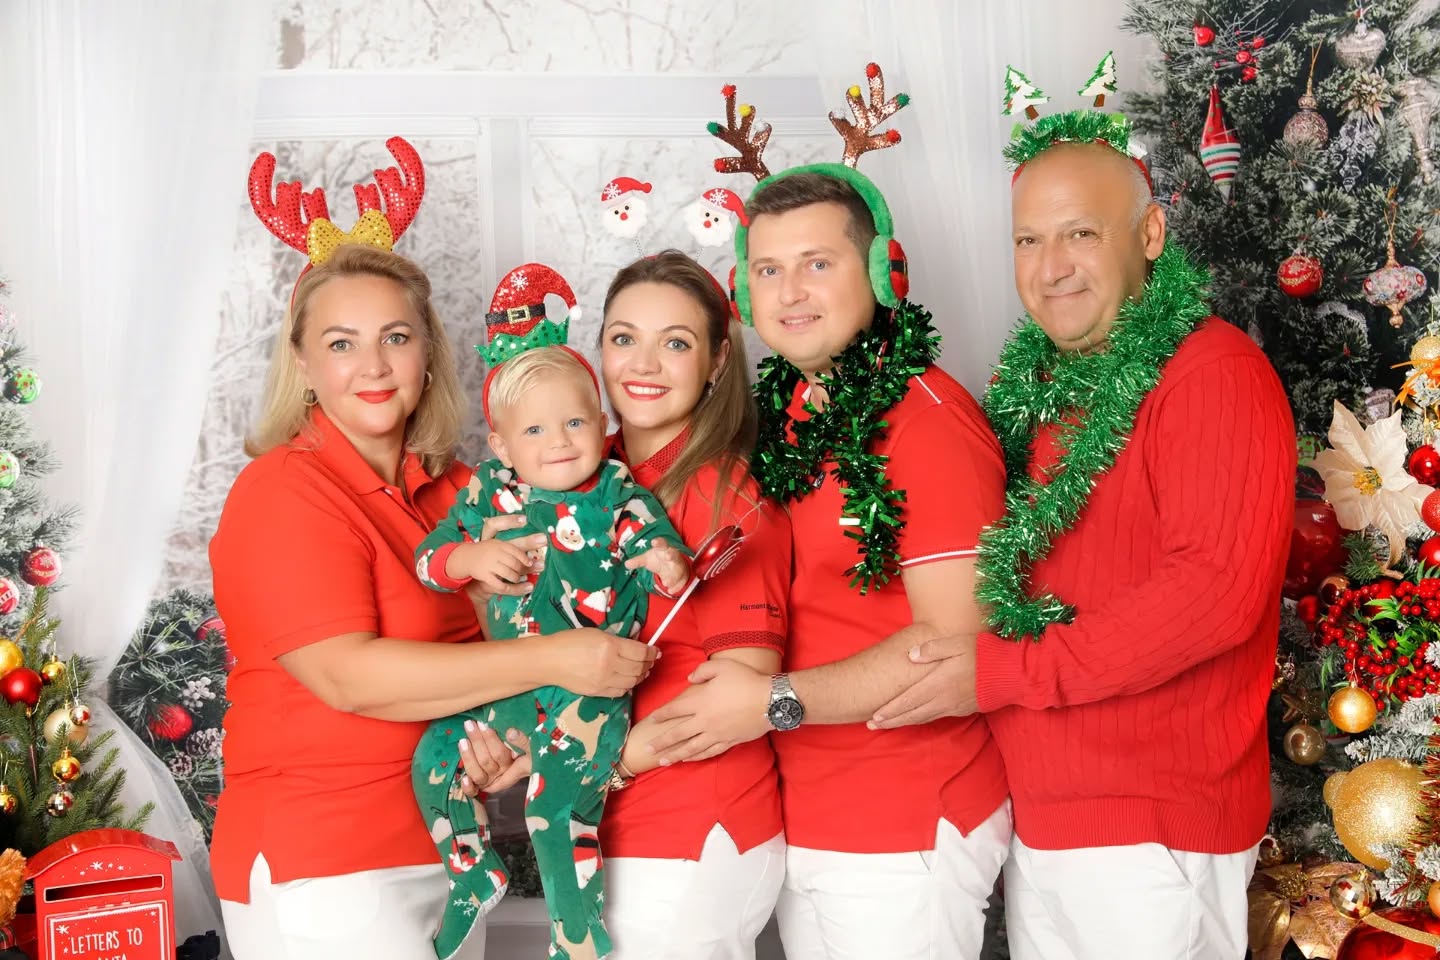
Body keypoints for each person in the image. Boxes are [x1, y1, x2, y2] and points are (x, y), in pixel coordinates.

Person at [872, 107, 1295, 958]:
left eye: (1080, 234)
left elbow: (1212, 596)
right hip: (1048, 820)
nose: (1051, 267)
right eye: (1028, 241)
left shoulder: (1211, 373)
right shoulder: (1039, 392)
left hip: (1154, 833)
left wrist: (1003, 671)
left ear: (1149, 232)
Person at [209, 235, 657, 957]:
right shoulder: (282, 491)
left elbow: (506, 650)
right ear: (303, 363)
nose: (375, 366)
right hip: (327, 865)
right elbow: (348, 678)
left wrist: (499, 746)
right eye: (342, 343)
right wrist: (557, 659)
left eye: (395, 337)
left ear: (427, 351)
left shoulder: (460, 495)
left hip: (448, 853)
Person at [640, 162, 1012, 958]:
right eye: (769, 270)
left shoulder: (928, 423)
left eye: (818, 263)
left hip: (903, 822)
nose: (790, 292)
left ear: (881, 271)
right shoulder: (782, 414)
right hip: (798, 816)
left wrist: (767, 702)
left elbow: (955, 651)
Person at [464, 250, 792, 960]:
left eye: (675, 342)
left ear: (714, 362)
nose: (643, 363)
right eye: (623, 338)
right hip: (612, 832)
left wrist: (588, 764)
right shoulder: (582, 475)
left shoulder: (717, 489)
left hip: (688, 833)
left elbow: (737, 698)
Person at [411, 296, 690, 960]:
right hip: (513, 688)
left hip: (587, 697)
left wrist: (662, 562)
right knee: (435, 758)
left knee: (552, 811)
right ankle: (472, 873)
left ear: (601, 422)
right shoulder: (488, 494)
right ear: (501, 444)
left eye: (574, 422)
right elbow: (428, 561)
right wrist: (470, 555)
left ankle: (577, 937)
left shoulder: (616, 494)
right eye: (534, 432)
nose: (559, 442)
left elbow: (657, 556)